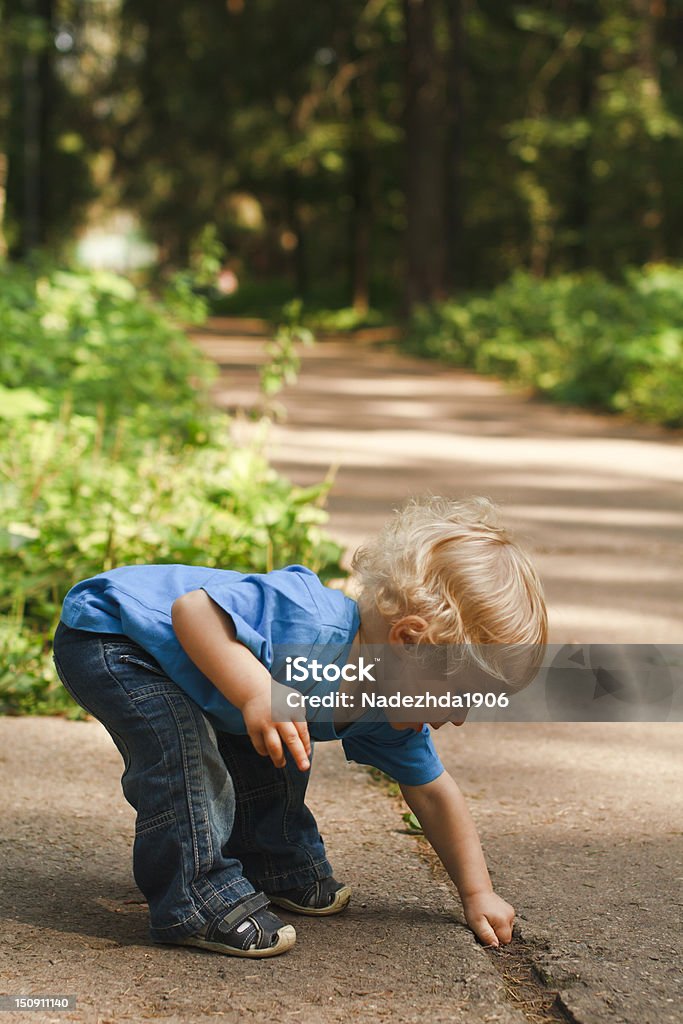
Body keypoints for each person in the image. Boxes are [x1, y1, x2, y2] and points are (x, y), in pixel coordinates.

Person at [52, 495, 547, 959]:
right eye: (458, 695)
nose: (460, 716)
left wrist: (477, 891)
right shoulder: (310, 622)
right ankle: (195, 898)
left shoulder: (389, 712)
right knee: (188, 751)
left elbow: (435, 792)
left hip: (179, 665)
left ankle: (273, 862)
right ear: (410, 643)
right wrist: (255, 692)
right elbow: (193, 610)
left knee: (278, 739)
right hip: (116, 637)